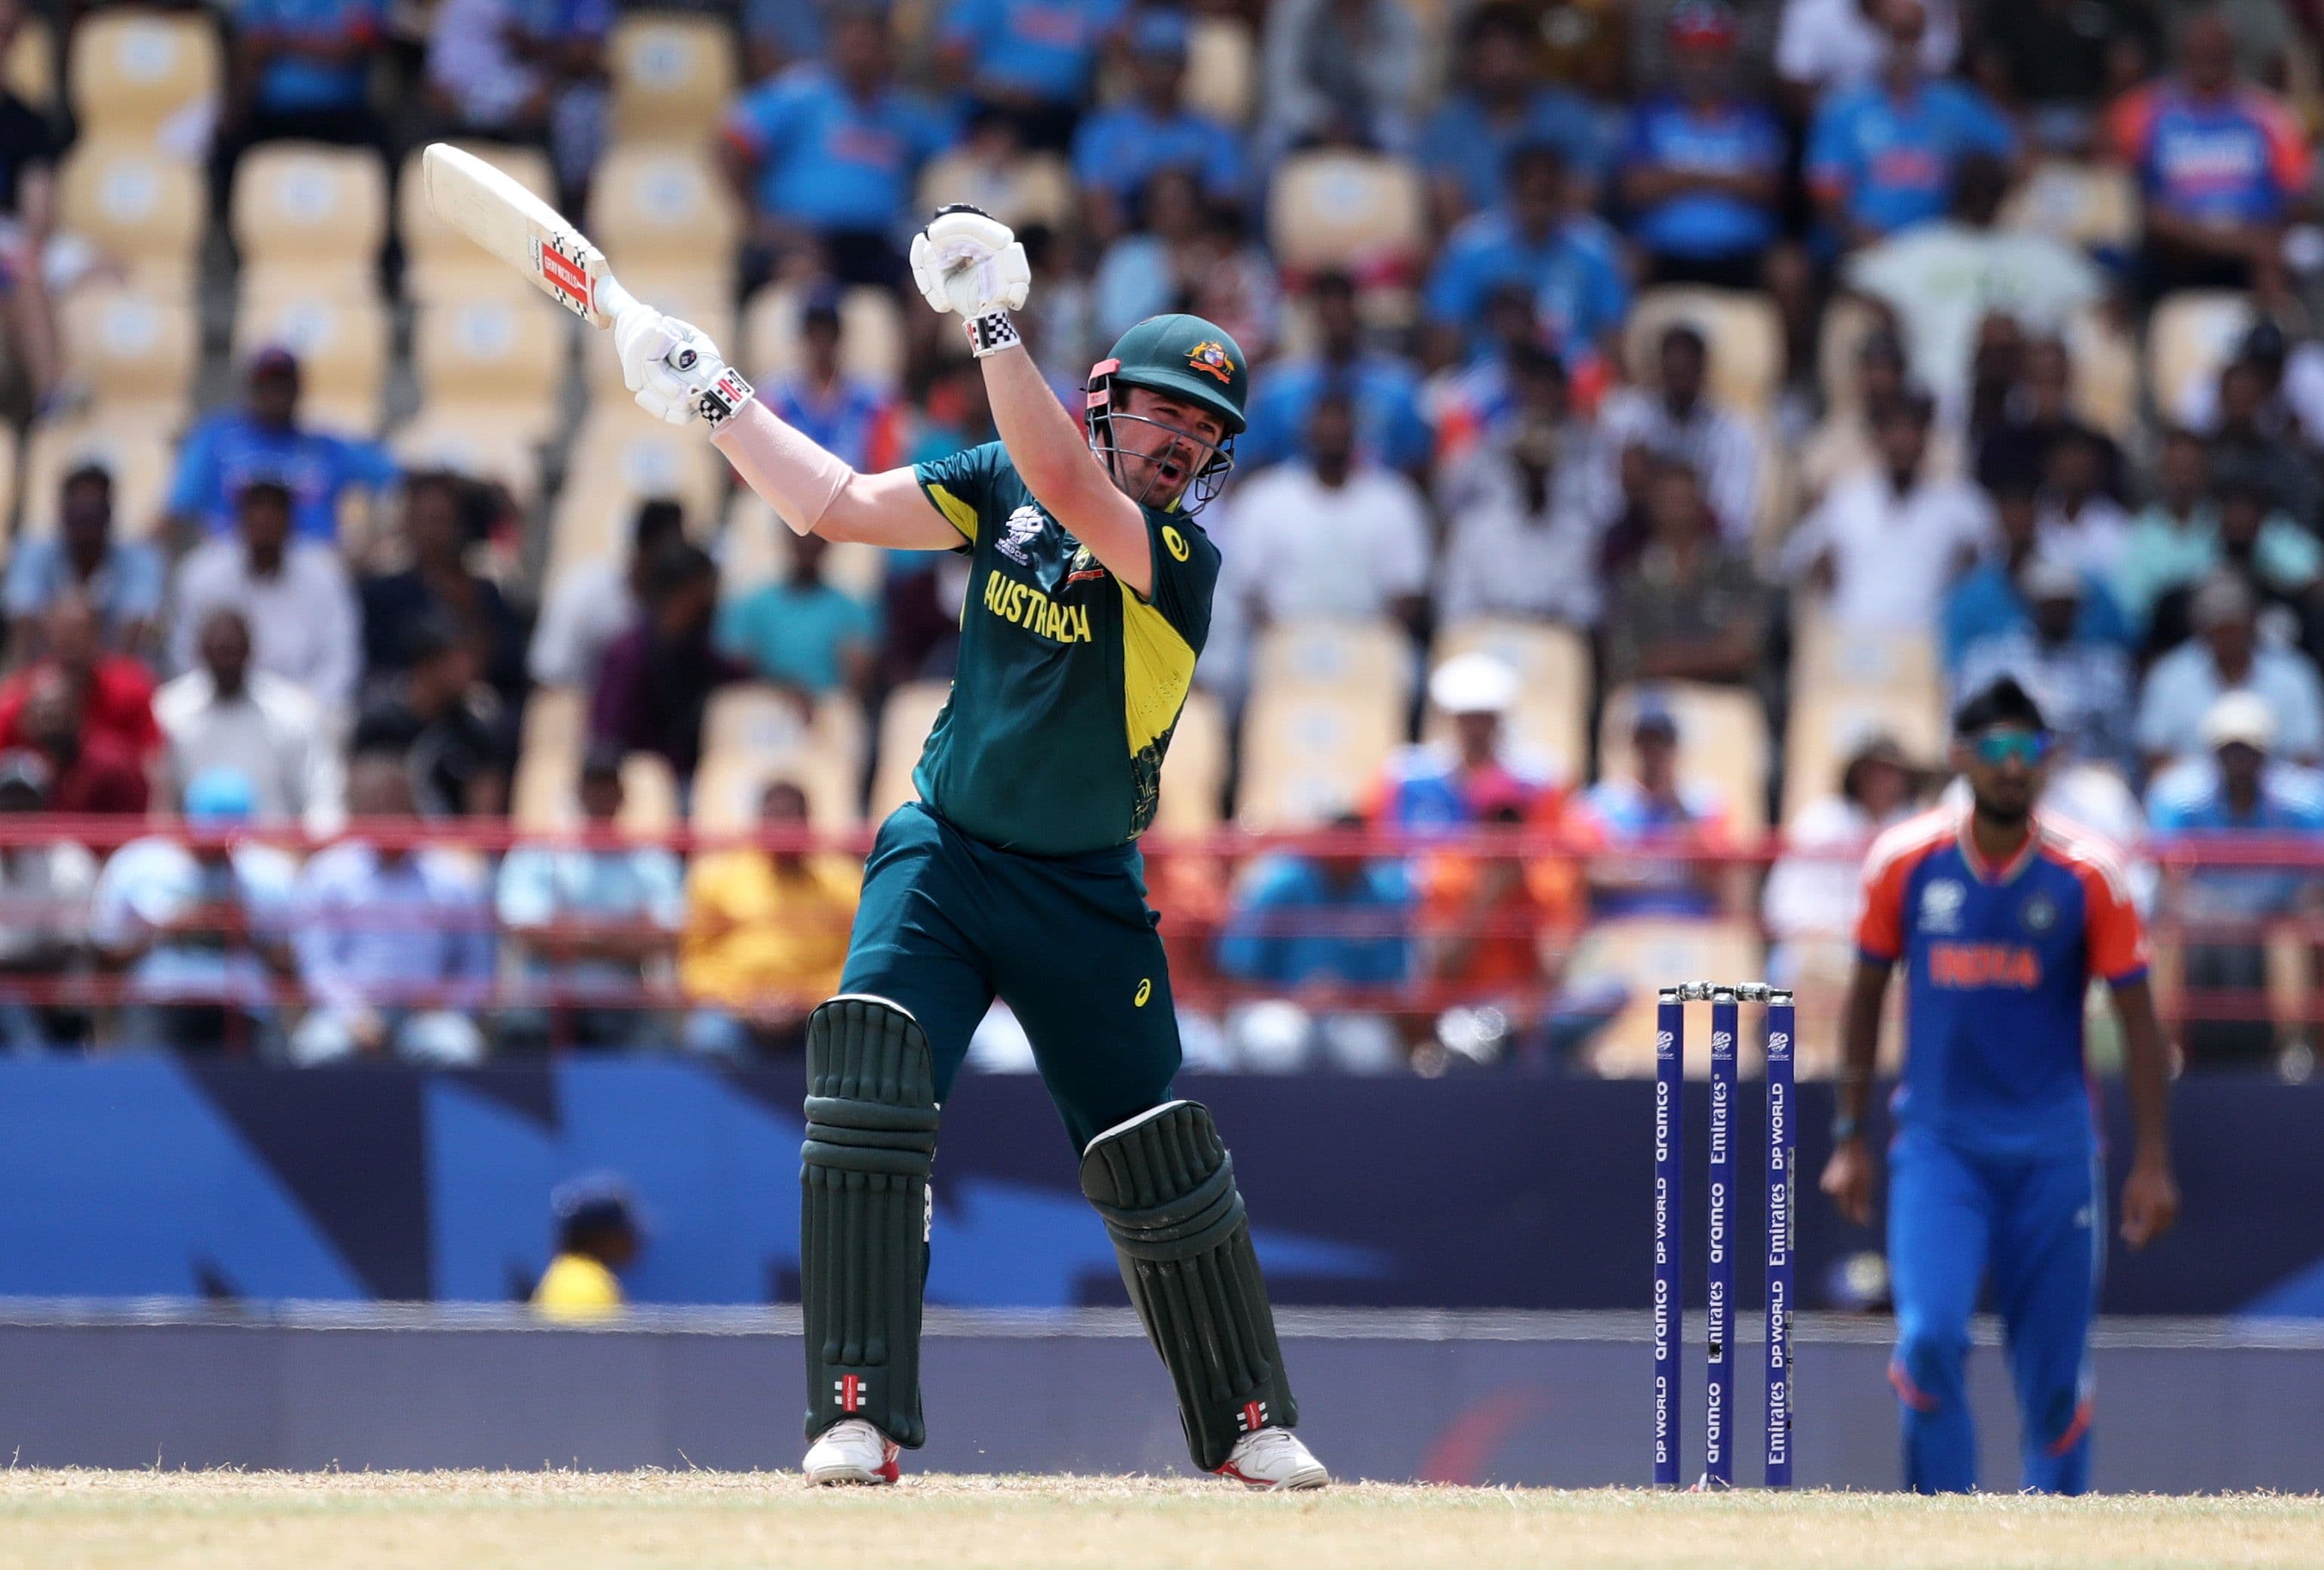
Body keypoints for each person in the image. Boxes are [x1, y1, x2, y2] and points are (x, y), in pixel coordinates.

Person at [608, 199, 1329, 1486]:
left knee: (1152, 1150)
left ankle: (1247, 1426)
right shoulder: (1001, 481)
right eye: (1166, 412)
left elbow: (1062, 477)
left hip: (1083, 888)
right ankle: (857, 1413)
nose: (1186, 444)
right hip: (942, 854)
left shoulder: (1178, 561)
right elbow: (832, 503)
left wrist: (996, 319)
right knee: (871, 1078)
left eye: (1207, 432)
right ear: (1108, 401)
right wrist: (717, 401)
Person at [1822, 677, 2180, 1494]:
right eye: (1995, 751)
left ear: (2048, 762)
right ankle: (1943, 1529)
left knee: (2054, 1375)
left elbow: (2139, 1021)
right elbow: (1867, 999)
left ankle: (2051, 1539)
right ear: (1961, 758)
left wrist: (2154, 1158)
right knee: (1931, 1338)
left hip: (2054, 1153)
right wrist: (1849, 1139)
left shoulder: (2090, 872)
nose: (2012, 769)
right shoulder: (1905, 863)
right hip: (1940, 1151)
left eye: (2028, 752)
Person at [1843, 155, 2106, 422]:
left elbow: (2103, 293)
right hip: (1932, 400)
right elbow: (1853, 281)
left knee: (2000, 330)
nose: (1981, 196)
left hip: (2025, 406)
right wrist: (1884, 312)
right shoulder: (1922, 246)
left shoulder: (2038, 251)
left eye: (1989, 187)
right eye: (1974, 187)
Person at [2146, 689, 2324, 1065]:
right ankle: (2166, 1051)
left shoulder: (2304, 801)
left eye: (2249, 750)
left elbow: (2315, 886)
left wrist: (2300, 910)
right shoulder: (2177, 797)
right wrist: (2198, 912)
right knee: (2167, 934)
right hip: (2202, 916)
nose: (2239, 761)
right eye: (2230, 750)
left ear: (2266, 754)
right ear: (2214, 753)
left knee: (2291, 934)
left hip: (2275, 915)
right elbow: (2169, 883)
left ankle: (2293, 1052)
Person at [718, 6, 952, 288]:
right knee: (802, 280)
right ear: (834, 46)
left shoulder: (903, 111)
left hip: (876, 242)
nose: (860, 54)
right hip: (802, 238)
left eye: (869, 44)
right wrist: (759, 222)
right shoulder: (799, 94)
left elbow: (954, 157)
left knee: (933, 290)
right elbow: (730, 146)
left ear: (887, 50)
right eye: (852, 44)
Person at [289, 750, 496, 1066]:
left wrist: (449, 1003)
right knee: (317, 1054)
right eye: (376, 807)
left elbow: (476, 966)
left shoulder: (451, 879)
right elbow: (318, 964)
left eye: (397, 804)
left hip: (431, 1019)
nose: (388, 817)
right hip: (349, 1017)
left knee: (460, 1053)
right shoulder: (328, 875)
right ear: (358, 812)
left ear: (415, 807)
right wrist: (353, 1015)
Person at [88, 770, 299, 1053]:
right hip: (162, 999)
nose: (218, 848)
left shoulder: (270, 874)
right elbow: (106, 951)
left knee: (274, 1075)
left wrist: (242, 931)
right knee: (141, 1076)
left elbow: (291, 961)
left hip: (244, 1004)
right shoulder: (137, 864)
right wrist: (167, 932)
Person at [2108, 11, 2312, 303]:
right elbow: (2110, 179)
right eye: (2199, 49)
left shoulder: (2271, 114)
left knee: (2286, 259)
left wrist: (2251, 239)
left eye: (2216, 49)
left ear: (2232, 52)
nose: (2208, 56)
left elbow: (2296, 200)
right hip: (2175, 250)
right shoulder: (2145, 109)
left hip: (2257, 246)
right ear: (2181, 53)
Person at [499, 748, 684, 1052]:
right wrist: (624, 933)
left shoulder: (652, 860)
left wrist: (566, 931)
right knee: (519, 1034)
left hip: (622, 1005)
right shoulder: (537, 852)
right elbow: (525, 932)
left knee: (658, 1047)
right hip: (547, 1002)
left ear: (624, 795)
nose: (601, 796)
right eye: (594, 787)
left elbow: (664, 937)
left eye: (609, 788)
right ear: (578, 793)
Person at [1214, 390, 1431, 649]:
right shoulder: (1264, 497)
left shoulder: (1394, 499)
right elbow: (1244, 586)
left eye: (1341, 426)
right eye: (1325, 425)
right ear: (1306, 432)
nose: (1333, 434)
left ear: (1357, 433)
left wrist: (1370, 643)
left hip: (1369, 644)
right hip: (1281, 642)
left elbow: (1409, 588)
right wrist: (1281, 640)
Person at [1807, 0, 2015, 250]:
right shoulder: (1844, 106)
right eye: (1895, 33)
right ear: (1874, 35)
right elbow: (1825, 189)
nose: (1904, 45)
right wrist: (1857, 235)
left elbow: (2016, 156)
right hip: (1863, 252)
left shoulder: (1955, 102)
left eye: (1912, 34)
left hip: (1942, 249)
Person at [1783, 391, 1993, 633]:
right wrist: (1819, 564)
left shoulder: (1958, 503)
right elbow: (1794, 556)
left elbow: (1994, 559)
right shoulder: (1847, 498)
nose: (1902, 442)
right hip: (1851, 638)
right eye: (1894, 432)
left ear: (1926, 439)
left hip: (1925, 643)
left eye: (1911, 432)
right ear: (1878, 440)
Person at [1425, 142, 1629, 390]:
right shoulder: (1471, 247)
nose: (1538, 208)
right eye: (1530, 195)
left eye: (1547, 195)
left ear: (1563, 191)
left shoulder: (1595, 248)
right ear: (1511, 191)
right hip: (1493, 383)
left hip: (1572, 384)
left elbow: (1613, 334)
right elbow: (1447, 331)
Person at [679, 779, 860, 1058]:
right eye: (776, 817)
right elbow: (695, 964)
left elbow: (856, 965)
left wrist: (807, 999)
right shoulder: (717, 880)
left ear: (808, 822)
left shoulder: (844, 883)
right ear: (759, 822)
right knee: (708, 1036)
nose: (784, 828)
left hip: (819, 1013)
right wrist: (744, 1001)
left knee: (856, 1040)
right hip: (735, 1013)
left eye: (793, 818)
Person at [1620, 2, 1785, 290]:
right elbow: (1636, 187)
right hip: (1663, 252)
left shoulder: (1755, 116)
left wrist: (1681, 177)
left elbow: (1765, 186)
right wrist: (1724, 178)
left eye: (1713, 56)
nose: (1702, 66)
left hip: (1745, 252)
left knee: (1788, 268)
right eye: (1692, 56)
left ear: (1729, 58)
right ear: (1675, 57)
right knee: (1625, 263)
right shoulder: (1649, 115)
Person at [1434, 355, 1606, 630]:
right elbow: (1456, 609)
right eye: (1528, 466)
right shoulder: (1493, 445)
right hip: (1486, 634)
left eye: (1543, 467)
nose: (1535, 476)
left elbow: (1584, 609)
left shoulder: (1577, 529)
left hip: (1553, 641)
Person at [163, 348, 399, 544]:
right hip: (234, 558)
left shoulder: (325, 447)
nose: (276, 393)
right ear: (251, 388)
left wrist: (372, 542)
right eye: (267, 384)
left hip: (311, 562)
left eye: (283, 384)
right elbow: (176, 509)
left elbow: (396, 479)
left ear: (298, 389)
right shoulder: (216, 439)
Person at [169, 478, 362, 714]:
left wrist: (303, 716)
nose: (265, 516)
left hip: (306, 716)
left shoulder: (325, 576)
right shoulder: (201, 574)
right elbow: (185, 657)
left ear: (291, 517)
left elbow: (339, 662)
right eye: (256, 505)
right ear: (240, 515)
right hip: (218, 710)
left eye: (276, 507)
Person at [155, 608, 345, 831]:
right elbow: (160, 803)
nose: (225, 660)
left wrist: (305, 851)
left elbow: (323, 797)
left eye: (232, 650)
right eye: (218, 650)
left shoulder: (292, 710)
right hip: (191, 852)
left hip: (276, 853)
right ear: (200, 652)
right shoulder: (169, 711)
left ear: (250, 650)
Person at [1069, 10, 1247, 244]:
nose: (1163, 72)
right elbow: (1099, 214)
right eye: (1154, 60)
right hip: (1127, 253)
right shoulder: (1102, 130)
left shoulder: (1216, 134)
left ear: (1185, 67)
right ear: (1136, 65)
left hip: (1197, 253)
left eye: (1171, 60)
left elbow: (1226, 214)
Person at [1417, 2, 1603, 225]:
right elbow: (1450, 214)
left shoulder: (1569, 115)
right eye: (1492, 58)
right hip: (1479, 251)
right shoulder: (1447, 124)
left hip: (1557, 249)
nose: (1503, 70)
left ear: (1532, 59)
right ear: (1473, 62)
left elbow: (1582, 199)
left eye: (1512, 57)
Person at [1954, 555, 2137, 773]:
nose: (2058, 612)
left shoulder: (2106, 668)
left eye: (2066, 604)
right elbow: (1966, 731)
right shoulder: (1990, 660)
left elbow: (2122, 744)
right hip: (2010, 770)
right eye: (2050, 603)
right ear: (2031, 604)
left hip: (2082, 776)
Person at [1601, 458, 1771, 692]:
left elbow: (1745, 649)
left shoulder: (1735, 571)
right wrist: (1713, 654)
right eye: (1669, 501)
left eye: (1684, 501)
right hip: (1655, 708)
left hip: (1724, 700)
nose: (1677, 511)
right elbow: (1626, 663)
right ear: (1653, 507)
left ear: (1700, 504)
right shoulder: (1632, 580)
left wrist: (1668, 658)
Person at [1236, 272, 1431, 476]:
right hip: (1295, 499)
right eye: (1327, 305)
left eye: (1343, 303)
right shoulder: (1277, 389)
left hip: (1375, 497)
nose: (1336, 314)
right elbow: (1251, 463)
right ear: (1315, 314)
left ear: (1358, 309)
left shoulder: (1398, 386)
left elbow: (1416, 464)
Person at [590, 543, 748, 785]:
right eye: (706, 587)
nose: (712, 597)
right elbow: (608, 735)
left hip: (687, 777)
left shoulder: (693, 646)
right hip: (636, 784)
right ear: (688, 591)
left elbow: (737, 677)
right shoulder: (628, 654)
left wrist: (782, 690)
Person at [358, 472, 525, 701]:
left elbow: (511, 668)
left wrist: (469, 608)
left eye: (443, 520)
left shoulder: (485, 594)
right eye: (427, 520)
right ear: (407, 523)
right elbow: (372, 665)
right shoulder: (382, 595)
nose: (434, 533)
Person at [423, 0, 611, 198]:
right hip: (473, 99)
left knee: (577, 108)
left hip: (531, 92)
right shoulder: (471, 5)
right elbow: (520, 42)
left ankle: (572, 206)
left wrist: (552, 82)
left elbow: (582, 55)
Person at [1596, 324, 1762, 547]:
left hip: (1705, 546)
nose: (1679, 383)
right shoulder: (1628, 419)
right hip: (1640, 541)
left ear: (1702, 371)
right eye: (1673, 373)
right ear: (1660, 370)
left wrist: (1680, 502)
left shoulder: (1734, 431)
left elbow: (1736, 519)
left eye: (1687, 372)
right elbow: (1605, 503)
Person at [2137, 574, 2324, 770]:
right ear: (2201, 628)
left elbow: (2309, 754)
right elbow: (2154, 754)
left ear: (2252, 623)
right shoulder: (2170, 676)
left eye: (2234, 627)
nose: (2228, 637)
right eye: (2219, 628)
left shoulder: (2293, 674)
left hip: (2277, 792)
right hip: (2194, 795)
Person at [1372, 655, 1563, 831]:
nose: (1475, 728)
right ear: (1449, 718)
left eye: (1484, 718)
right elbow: (1378, 842)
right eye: (1466, 718)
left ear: (1500, 720)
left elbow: (1551, 850)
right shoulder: (1405, 774)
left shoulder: (1537, 781)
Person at [351, 619, 512, 818]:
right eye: (456, 661)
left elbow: (484, 818)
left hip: (453, 845)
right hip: (389, 841)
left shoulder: (476, 730)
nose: (468, 669)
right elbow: (360, 801)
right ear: (425, 666)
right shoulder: (379, 724)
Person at [4, 466, 162, 658]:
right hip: (45, 672)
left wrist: (106, 682)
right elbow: (24, 618)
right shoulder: (32, 552)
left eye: (93, 512)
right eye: (80, 513)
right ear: (62, 512)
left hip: (112, 675)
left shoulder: (140, 558)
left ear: (109, 513)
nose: (87, 522)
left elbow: (137, 624)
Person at [529, 499, 685, 690]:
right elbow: (549, 674)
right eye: (670, 549)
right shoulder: (584, 590)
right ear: (645, 546)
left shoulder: (680, 606)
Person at [0, 752, 97, 1052]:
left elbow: (65, 951)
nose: (17, 812)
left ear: (44, 806)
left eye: (27, 802)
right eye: (8, 801)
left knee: (12, 1002)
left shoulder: (70, 862)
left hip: (55, 1000)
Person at [934, 0, 1126, 152]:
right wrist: (1001, 90)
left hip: (1060, 119)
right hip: (988, 112)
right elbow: (949, 61)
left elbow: (1126, 55)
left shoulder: (1100, 5)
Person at [716, 529, 878, 703]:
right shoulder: (751, 605)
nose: (807, 543)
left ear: (829, 541)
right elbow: (734, 672)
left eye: (816, 536)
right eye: (800, 534)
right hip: (763, 709)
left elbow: (858, 687)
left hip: (827, 712)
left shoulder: (852, 610)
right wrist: (784, 691)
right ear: (786, 536)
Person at [0, 595, 160, 763]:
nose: (72, 643)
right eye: (64, 633)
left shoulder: (131, 692)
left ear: (97, 635)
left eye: (80, 633)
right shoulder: (22, 697)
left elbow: (151, 760)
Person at [761, 291, 904, 472]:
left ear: (839, 336)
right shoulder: (776, 400)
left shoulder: (873, 401)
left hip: (857, 492)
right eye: (813, 333)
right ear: (803, 338)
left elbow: (885, 465)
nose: (821, 341)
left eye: (828, 332)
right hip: (789, 496)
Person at [532, 1175, 643, 1321]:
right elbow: (580, 1344)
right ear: (601, 1236)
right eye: (625, 1232)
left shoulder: (571, 1274)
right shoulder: (582, 1286)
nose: (635, 1239)